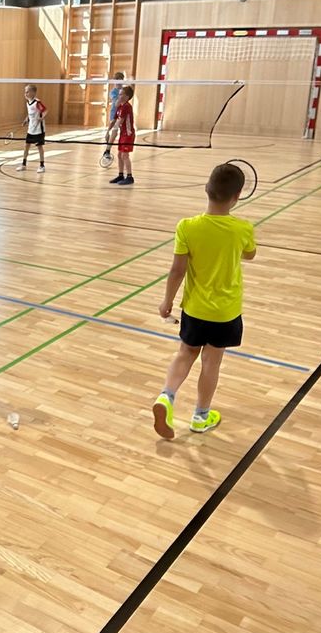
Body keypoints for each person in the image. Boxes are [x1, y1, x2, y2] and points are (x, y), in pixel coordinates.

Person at [152, 163, 257, 439]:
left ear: (206, 190)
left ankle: (166, 396)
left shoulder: (187, 227)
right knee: (212, 363)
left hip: (195, 309)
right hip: (225, 312)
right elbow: (250, 254)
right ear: (237, 196)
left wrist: (167, 301)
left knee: (186, 352)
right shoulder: (243, 229)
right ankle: (200, 416)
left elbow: (177, 270)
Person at [105, 85, 136, 185]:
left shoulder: (126, 107)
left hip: (128, 134)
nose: (119, 96)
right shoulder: (120, 107)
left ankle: (130, 177)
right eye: (119, 94)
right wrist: (107, 131)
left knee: (125, 155)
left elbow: (118, 123)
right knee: (119, 155)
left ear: (127, 97)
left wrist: (108, 147)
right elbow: (113, 121)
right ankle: (120, 175)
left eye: (121, 94)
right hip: (123, 134)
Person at [15, 84, 48, 173]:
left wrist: (42, 118)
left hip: (38, 130)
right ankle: (24, 164)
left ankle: (42, 166)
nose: (25, 93)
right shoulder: (28, 103)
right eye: (25, 92)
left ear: (33, 92)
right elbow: (30, 113)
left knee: (39, 147)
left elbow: (45, 111)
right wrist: (26, 119)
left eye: (27, 92)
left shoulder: (37, 103)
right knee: (26, 146)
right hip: (31, 129)